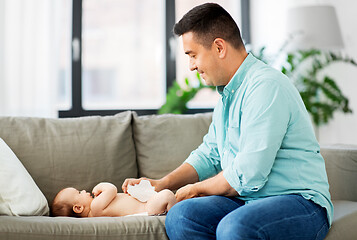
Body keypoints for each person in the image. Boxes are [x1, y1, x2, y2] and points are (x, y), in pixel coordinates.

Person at [123, 3, 333, 240]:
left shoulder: (266, 87)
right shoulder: (227, 96)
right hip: (248, 200)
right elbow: (210, 154)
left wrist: (197, 189)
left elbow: (248, 173)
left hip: (299, 201)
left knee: (235, 227)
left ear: (219, 47)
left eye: (193, 55)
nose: (191, 66)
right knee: (181, 216)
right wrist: (162, 183)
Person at [51, 182, 176, 217]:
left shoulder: (97, 209)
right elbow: (112, 189)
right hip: (146, 209)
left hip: (148, 203)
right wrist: (100, 186)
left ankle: (174, 209)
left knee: (171, 197)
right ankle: (174, 215)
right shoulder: (95, 208)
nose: (84, 191)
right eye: (79, 193)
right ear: (78, 208)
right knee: (167, 195)